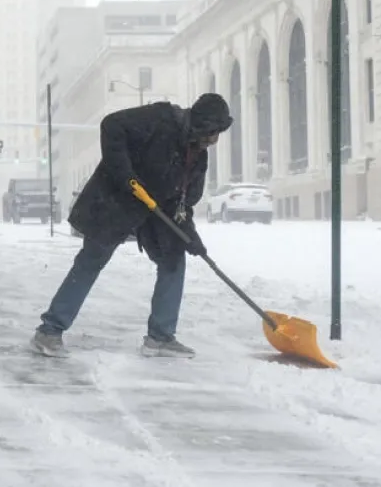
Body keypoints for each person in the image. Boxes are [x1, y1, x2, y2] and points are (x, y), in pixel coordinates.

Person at [30, 93, 233, 359]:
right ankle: (50, 330)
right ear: (200, 122)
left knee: (174, 260)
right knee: (91, 261)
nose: (214, 139)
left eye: (218, 133)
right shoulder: (160, 119)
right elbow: (111, 125)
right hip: (116, 200)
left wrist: (190, 237)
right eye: (212, 131)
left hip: (153, 210)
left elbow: (183, 205)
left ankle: (160, 337)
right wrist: (125, 174)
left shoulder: (197, 158)